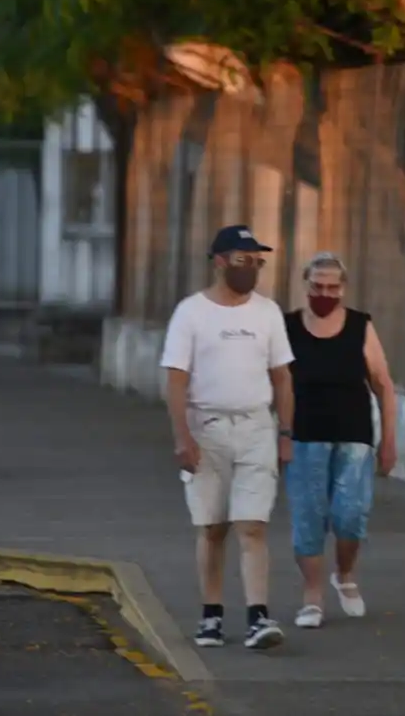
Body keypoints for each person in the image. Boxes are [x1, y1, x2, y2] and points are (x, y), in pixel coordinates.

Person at [160, 224, 295, 651]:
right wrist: (183, 437)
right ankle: (212, 616)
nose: (252, 267)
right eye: (243, 259)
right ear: (220, 262)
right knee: (213, 527)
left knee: (252, 524)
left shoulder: (268, 313)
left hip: (256, 426)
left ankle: (258, 617)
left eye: (257, 260)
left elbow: (282, 377)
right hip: (207, 429)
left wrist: (286, 432)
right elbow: (176, 380)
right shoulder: (191, 314)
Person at [282, 253, 397, 629]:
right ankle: (312, 597)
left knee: (350, 514)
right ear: (306, 285)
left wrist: (389, 440)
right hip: (304, 437)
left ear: (343, 288)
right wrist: (277, 433)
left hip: (354, 437)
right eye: (318, 286)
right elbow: (274, 383)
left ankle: (345, 574)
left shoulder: (361, 327)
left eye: (333, 287)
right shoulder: (288, 327)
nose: (325, 293)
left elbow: (383, 384)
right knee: (308, 517)